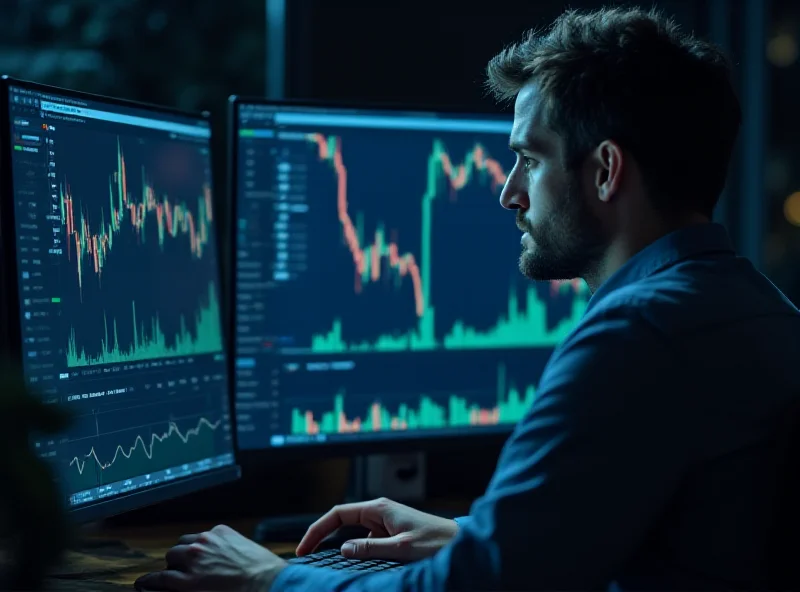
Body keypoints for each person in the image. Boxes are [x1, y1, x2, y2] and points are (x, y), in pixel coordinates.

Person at [135, 6, 800, 591]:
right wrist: (470, 537)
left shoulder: (636, 337)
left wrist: (267, 579)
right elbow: (672, 544)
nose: (510, 192)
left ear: (604, 171)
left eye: (530, 160)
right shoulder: (764, 311)